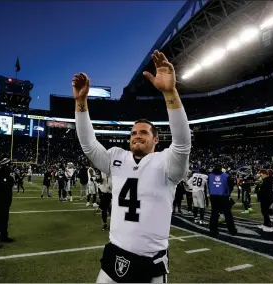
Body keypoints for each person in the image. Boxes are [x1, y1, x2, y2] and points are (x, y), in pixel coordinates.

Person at [73, 50, 191, 283]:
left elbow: (183, 143)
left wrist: (170, 92)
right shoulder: (117, 158)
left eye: (144, 133)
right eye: (133, 133)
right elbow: (88, 144)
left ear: (156, 139)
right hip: (113, 257)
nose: (137, 136)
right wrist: (80, 103)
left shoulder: (167, 163)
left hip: (149, 264)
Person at [0, 158, 15, 248]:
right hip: (0, 202)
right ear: (6, 165)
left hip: (5, 202)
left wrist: (10, 180)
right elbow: (4, 186)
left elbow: (10, 184)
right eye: (10, 164)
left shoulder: (5, 175)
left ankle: (4, 236)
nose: (12, 166)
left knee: (5, 220)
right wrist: (10, 181)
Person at [208, 165, 237, 236]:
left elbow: (208, 185)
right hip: (223, 196)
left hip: (213, 196)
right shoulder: (226, 176)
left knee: (214, 213)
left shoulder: (210, 176)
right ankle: (232, 230)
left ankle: (213, 229)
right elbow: (231, 186)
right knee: (227, 214)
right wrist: (228, 194)